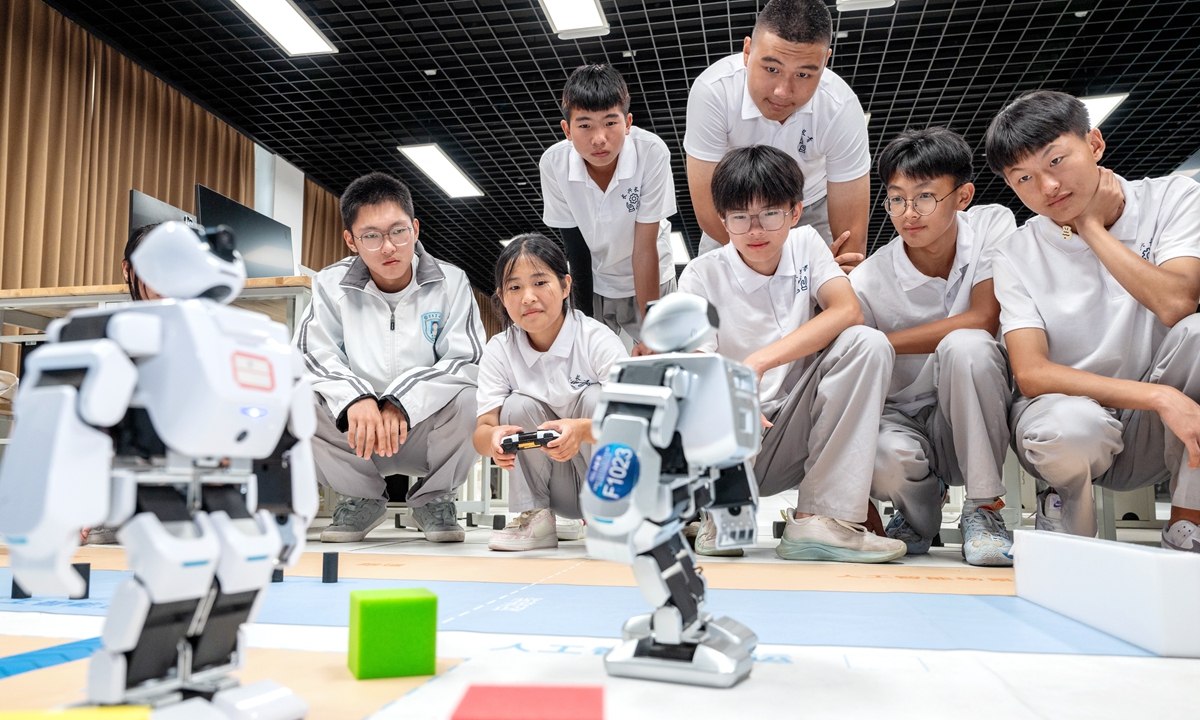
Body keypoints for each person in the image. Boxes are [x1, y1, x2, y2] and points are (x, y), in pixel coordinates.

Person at [986, 90, 1200, 552]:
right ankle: (1067, 526)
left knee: (1197, 334)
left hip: (1160, 430)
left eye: (1056, 161)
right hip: (1070, 419)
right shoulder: (1014, 252)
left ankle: (1188, 522)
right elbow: (1032, 373)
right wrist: (1158, 396)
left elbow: (1177, 303)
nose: (1047, 188)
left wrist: (1092, 230)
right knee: (1069, 427)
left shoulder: (1172, 198)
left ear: (1095, 144)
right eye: (1023, 178)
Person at [678, 145, 905, 563]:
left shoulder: (806, 244)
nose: (755, 229)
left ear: (795, 211)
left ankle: (819, 519)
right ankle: (720, 512)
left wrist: (757, 363)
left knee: (867, 342)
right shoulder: (700, 274)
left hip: (791, 429)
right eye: (740, 217)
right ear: (723, 220)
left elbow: (847, 310)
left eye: (770, 213)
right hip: (730, 437)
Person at [851, 128, 1017, 566]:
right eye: (897, 198)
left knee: (968, 346)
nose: (909, 213)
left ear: (962, 196)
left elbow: (985, 317)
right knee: (884, 459)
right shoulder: (867, 279)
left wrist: (881, 342)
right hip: (902, 416)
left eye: (925, 197)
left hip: (969, 405)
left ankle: (984, 508)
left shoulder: (992, 225)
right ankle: (917, 515)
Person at [296, 172, 483, 543]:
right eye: (371, 236)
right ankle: (361, 497)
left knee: (473, 400)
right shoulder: (330, 285)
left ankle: (434, 497)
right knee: (297, 399)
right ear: (351, 240)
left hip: (425, 432)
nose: (388, 247)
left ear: (415, 229)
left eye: (398, 231)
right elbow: (310, 356)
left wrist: (401, 402)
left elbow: (466, 360)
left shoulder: (452, 281)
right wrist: (357, 398)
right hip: (357, 435)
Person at [684, 0, 870, 272]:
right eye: (771, 69)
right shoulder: (713, 92)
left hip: (809, 205)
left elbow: (850, 242)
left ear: (825, 61)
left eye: (804, 74)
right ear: (747, 52)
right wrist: (772, 269)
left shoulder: (840, 108)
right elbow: (708, 210)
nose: (783, 91)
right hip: (733, 207)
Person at [474, 234, 627, 551]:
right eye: (514, 287)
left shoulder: (596, 339)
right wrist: (492, 439)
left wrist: (582, 430)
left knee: (598, 399)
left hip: (602, 478)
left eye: (540, 282)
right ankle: (536, 519)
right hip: (552, 487)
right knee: (515, 406)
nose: (528, 297)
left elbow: (638, 422)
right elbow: (482, 430)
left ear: (566, 285)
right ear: (502, 297)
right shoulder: (500, 349)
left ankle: (614, 516)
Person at [540, 63, 676, 352]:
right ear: (567, 129)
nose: (599, 138)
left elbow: (644, 246)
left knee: (664, 358)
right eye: (585, 125)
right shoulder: (553, 164)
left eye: (610, 123)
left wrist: (653, 330)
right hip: (597, 280)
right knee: (588, 362)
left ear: (627, 123)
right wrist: (582, 323)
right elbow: (575, 250)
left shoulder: (651, 152)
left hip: (653, 275)